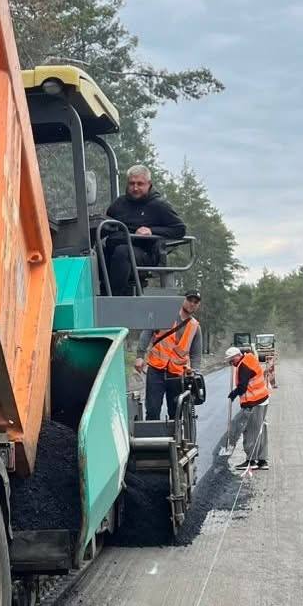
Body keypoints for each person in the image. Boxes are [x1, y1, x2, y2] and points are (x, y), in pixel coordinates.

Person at [104, 165, 186, 295]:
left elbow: (180, 229)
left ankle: (115, 296)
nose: (135, 188)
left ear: (149, 184)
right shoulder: (119, 204)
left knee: (123, 251)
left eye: (140, 184)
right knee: (94, 252)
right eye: (132, 183)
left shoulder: (159, 206)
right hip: (117, 247)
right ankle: (98, 290)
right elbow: (106, 224)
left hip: (146, 253)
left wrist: (151, 231)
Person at [134, 291, 203, 420]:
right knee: (153, 409)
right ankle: (152, 432)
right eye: (190, 300)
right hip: (156, 370)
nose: (192, 304)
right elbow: (147, 332)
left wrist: (195, 371)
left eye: (196, 302)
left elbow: (196, 354)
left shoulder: (195, 327)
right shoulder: (164, 315)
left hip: (177, 373)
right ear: (183, 300)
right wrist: (140, 356)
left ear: (198, 305)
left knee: (176, 411)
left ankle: (175, 432)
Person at [225, 346, 270, 470]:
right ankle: (262, 460)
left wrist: (234, 393)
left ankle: (251, 461)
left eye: (232, 360)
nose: (231, 363)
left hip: (254, 402)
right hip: (262, 399)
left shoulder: (243, 366)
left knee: (250, 432)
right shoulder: (250, 358)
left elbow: (242, 387)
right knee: (260, 431)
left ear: (237, 356)